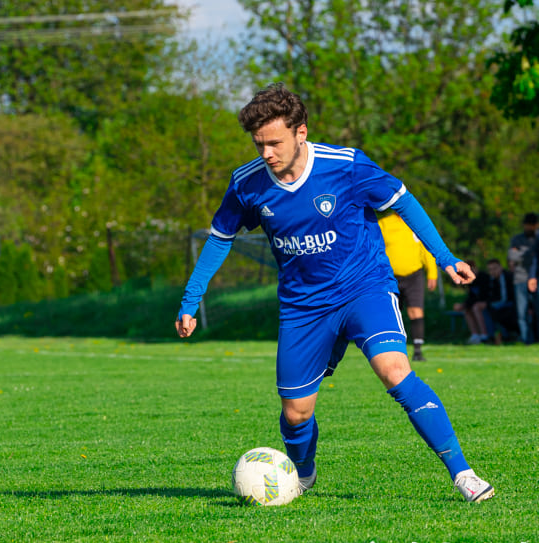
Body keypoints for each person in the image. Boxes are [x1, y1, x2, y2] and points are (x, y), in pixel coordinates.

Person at [175, 84, 493, 502]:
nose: (267, 153)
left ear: (300, 132)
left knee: (395, 369)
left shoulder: (345, 166)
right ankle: (302, 475)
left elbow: (403, 201)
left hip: (365, 287)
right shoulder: (247, 184)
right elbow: (219, 238)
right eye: (259, 144)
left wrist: (446, 257)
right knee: (296, 413)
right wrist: (190, 299)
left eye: (274, 142)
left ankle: (463, 474)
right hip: (303, 307)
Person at [378, 211, 438, 361]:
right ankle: (391, 350)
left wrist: (432, 272)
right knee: (391, 313)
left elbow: (426, 248)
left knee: (415, 311)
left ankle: (417, 351)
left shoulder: (415, 221)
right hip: (390, 276)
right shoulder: (384, 223)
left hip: (414, 275)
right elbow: (375, 248)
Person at [507, 213, 538, 344]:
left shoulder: (537, 238)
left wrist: (523, 254)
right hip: (520, 279)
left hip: (536, 278)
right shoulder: (517, 239)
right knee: (522, 313)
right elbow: (511, 256)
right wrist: (529, 254)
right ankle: (527, 339)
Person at [453, 260, 490, 344]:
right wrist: (463, 305)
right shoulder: (471, 281)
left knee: (475, 307)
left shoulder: (484, 277)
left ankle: (484, 335)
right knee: (467, 309)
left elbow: (482, 296)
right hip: (477, 302)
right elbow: (471, 297)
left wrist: (464, 304)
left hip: (488, 301)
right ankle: (475, 335)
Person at [483, 258, 517, 344]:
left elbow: (504, 298)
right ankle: (489, 336)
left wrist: (489, 304)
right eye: (490, 269)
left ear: (501, 267)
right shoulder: (491, 280)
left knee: (492, 311)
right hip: (500, 304)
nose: (493, 271)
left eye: (495, 268)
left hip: (510, 304)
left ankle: (502, 336)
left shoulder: (506, 277)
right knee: (485, 309)